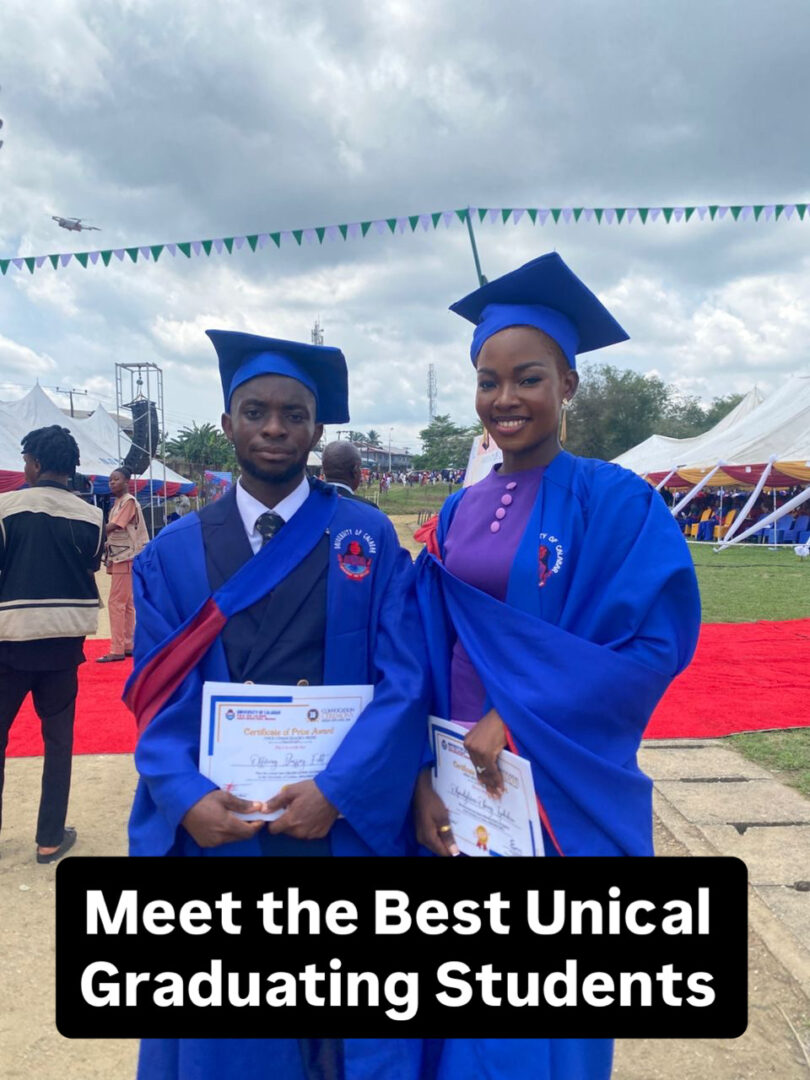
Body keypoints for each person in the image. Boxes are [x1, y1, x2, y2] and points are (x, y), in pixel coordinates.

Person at [412, 253, 701, 1080]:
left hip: (558, 784)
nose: (505, 398)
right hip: (460, 783)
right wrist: (418, 772)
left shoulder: (617, 501)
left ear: (568, 384)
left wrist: (516, 713)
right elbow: (428, 645)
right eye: (488, 381)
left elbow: (652, 645)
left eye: (528, 378)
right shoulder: (458, 510)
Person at [125, 330, 430, 1080]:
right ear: (227, 423)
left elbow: (403, 678)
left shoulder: (366, 537)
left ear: (316, 431)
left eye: (294, 414)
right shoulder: (174, 552)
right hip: (226, 817)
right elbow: (158, 698)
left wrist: (340, 790)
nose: (274, 428)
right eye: (255, 411)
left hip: (333, 816)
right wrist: (184, 797)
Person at [0, 425, 104, 862]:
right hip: (64, 645)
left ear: (36, 463)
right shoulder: (92, 516)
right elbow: (91, 565)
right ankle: (49, 838)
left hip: (9, 642)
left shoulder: (5, 508)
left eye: (26, 460)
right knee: (58, 742)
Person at [97, 465, 149, 663]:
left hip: (125, 557)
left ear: (127, 482)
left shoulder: (128, 502)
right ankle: (127, 645)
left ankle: (117, 648)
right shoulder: (119, 502)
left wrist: (92, 531)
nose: (112, 482)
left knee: (116, 602)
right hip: (124, 556)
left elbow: (114, 526)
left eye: (116, 479)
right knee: (126, 603)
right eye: (110, 479)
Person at [321, 440, 376, 505]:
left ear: (323, 469)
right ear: (355, 471)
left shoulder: (311, 502)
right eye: (359, 467)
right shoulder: (368, 507)